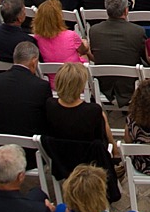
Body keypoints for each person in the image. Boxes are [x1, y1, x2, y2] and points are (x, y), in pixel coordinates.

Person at [43, 63, 121, 202]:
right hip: (90, 161)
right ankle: (115, 151)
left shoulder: (49, 105)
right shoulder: (93, 111)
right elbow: (99, 139)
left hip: (62, 160)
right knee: (102, 117)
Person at [89, 0, 148, 104]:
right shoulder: (137, 31)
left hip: (104, 83)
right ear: (126, 10)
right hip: (130, 84)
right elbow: (144, 56)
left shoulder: (94, 30)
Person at [0, 39, 53, 137]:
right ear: (34, 62)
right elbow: (47, 116)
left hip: (2, 137)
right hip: (32, 140)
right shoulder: (41, 86)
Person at [32, 0, 89, 82]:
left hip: (54, 82)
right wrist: (85, 44)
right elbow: (83, 51)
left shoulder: (36, 38)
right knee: (85, 55)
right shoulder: (71, 35)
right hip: (75, 81)